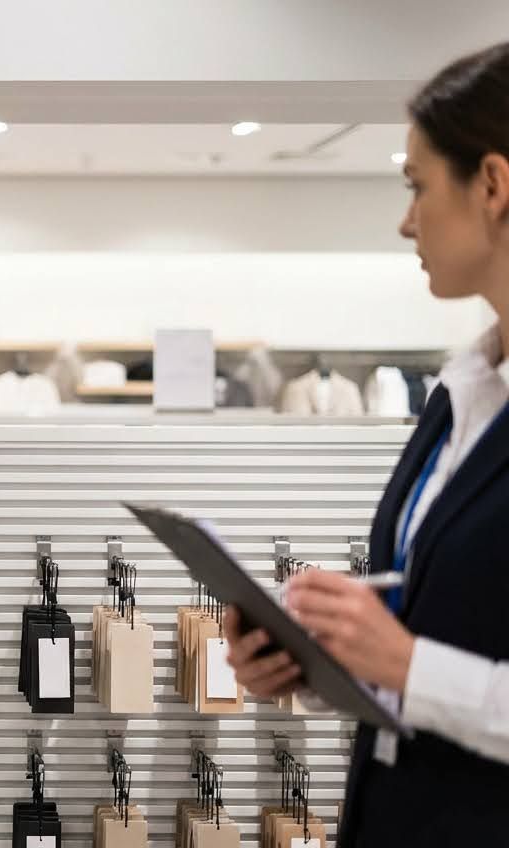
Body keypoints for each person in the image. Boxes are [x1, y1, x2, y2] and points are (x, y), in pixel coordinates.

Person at [224, 41, 509, 846]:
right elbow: (446, 626)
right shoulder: (464, 396)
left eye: (419, 187)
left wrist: (406, 663)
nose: (405, 219)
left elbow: (423, 663)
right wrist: (321, 662)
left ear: (492, 184)